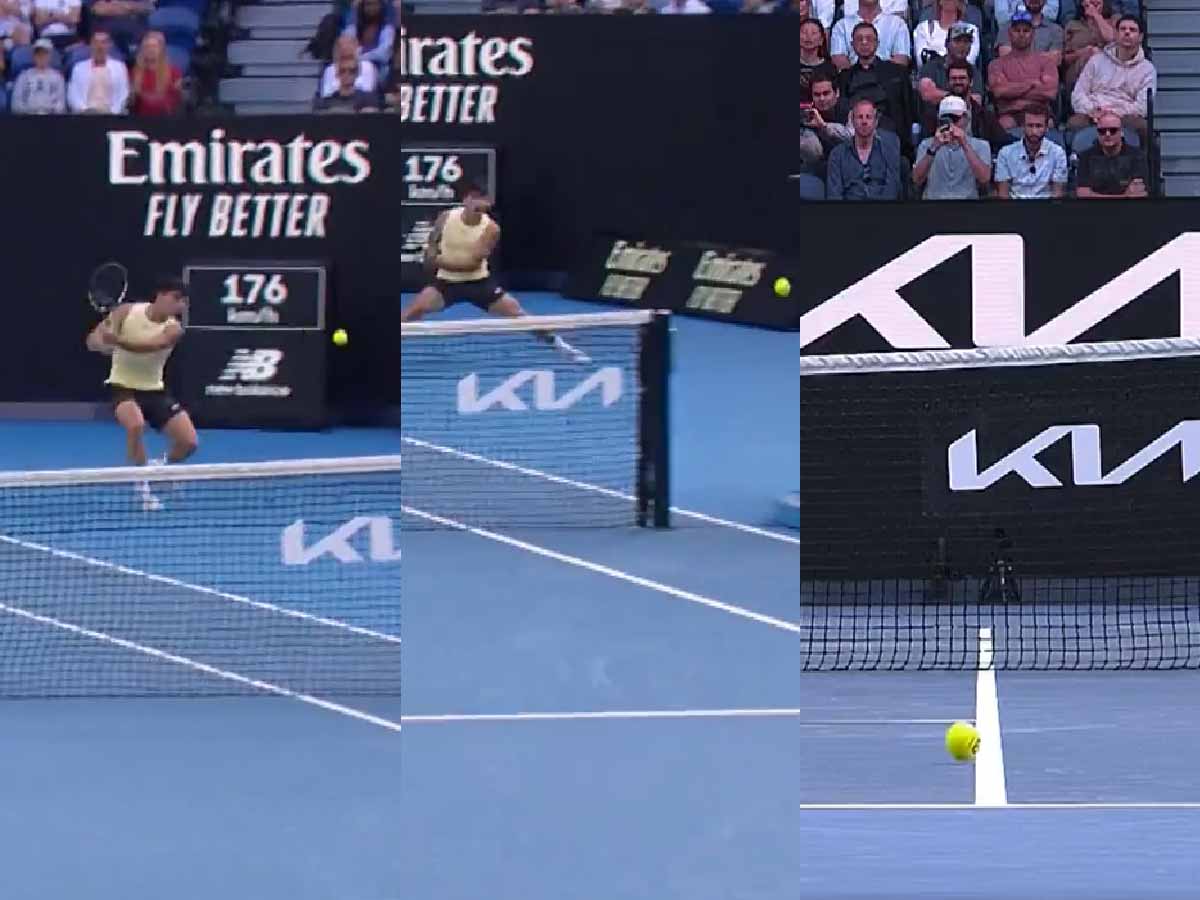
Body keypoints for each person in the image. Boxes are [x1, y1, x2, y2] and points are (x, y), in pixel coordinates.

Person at [400, 183, 590, 362]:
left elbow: (470, 265)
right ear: (466, 199)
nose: (480, 204)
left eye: (484, 200)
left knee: (521, 316)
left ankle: (561, 346)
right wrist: (431, 255)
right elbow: (433, 243)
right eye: (476, 199)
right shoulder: (446, 218)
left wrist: (437, 261)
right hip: (445, 284)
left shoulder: (491, 229)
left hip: (480, 285)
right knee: (411, 313)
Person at [85, 276, 199, 510]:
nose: (179, 305)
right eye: (176, 299)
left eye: (183, 302)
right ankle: (142, 487)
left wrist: (116, 340)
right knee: (135, 425)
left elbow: (148, 347)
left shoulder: (174, 328)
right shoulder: (126, 312)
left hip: (155, 390)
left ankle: (161, 468)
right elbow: (92, 340)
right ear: (160, 295)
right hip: (121, 385)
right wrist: (102, 343)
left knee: (189, 443)